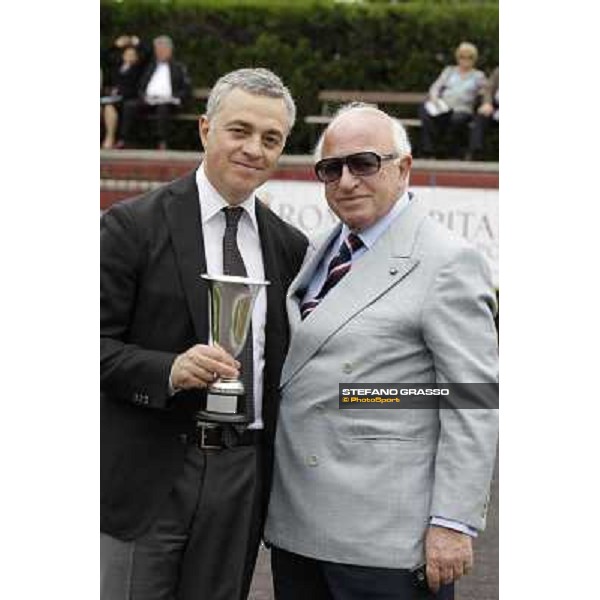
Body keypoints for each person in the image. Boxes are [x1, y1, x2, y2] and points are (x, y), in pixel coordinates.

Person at [264, 103, 499, 600]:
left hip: (387, 543)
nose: (346, 181)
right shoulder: (320, 250)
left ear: (404, 167)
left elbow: (471, 397)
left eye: (364, 163)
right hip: (298, 531)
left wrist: (453, 523)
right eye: (331, 169)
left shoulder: (448, 261)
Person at [101, 67, 308, 600]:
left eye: (271, 139)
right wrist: (167, 369)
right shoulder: (130, 227)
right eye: (239, 130)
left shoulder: (290, 247)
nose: (254, 149)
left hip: (243, 474)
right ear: (204, 129)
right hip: (151, 473)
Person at [118, 35, 192, 150]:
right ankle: (124, 140)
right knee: (130, 106)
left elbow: (186, 89)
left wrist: (174, 97)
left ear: (170, 51)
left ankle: (162, 142)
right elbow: (141, 85)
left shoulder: (179, 67)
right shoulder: (150, 66)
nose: (160, 52)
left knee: (163, 107)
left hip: (168, 101)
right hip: (149, 100)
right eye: (158, 50)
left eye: (163, 50)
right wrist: (143, 95)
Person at [419, 42, 487, 159]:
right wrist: (435, 99)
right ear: (458, 57)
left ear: (474, 59)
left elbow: (486, 92)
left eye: (469, 57)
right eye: (462, 57)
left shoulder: (478, 76)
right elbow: (435, 87)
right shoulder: (449, 70)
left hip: (462, 109)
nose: (465, 60)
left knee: (456, 120)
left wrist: (482, 96)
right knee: (424, 111)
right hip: (442, 106)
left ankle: (450, 152)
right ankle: (428, 150)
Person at [101, 44, 144, 149]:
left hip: (126, 98)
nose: (129, 56)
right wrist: (115, 45)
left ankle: (110, 138)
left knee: (110, 107)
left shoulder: (139, 69)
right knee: (105, 107)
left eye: (132, 54)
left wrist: (138, 42)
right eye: (127, 54)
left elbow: (135, 88)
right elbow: (103, 55)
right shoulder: (116, 68)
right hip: (110, 98)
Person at [466, 66, 499, 161]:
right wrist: (487, 103)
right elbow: (488, 89)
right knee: (481, 116)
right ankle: (476, 151)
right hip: (496, 107)